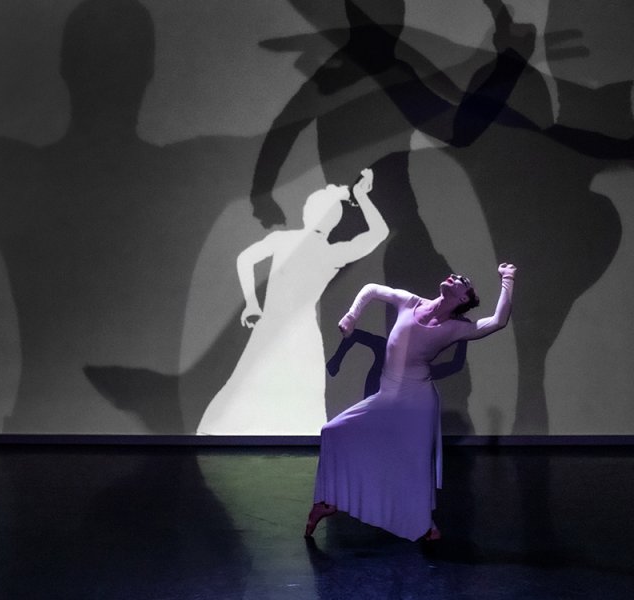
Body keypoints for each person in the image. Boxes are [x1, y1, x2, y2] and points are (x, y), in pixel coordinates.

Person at [305, 263, 516, 541]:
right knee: (332, 431)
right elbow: (371, 290)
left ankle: (424, 525)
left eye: (460, 281)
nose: (453, 277)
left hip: (418, 399)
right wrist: (352, 315)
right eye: (453, 276)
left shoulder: (455, 328)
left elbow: (498, 321)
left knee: (415, 465)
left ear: (463, 298)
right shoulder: (410, 302)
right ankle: (328, 500)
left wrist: (508, 278)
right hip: (387, 394)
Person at [196, 169, 388, 435]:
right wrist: (360, 196)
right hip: (294, 332)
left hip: (288, 330)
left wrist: (253, 303)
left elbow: (246, 260)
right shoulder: (329, 252)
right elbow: (379, 232)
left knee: (263, 388)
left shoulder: (297, 244)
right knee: (276, 392)